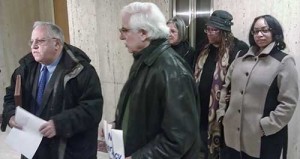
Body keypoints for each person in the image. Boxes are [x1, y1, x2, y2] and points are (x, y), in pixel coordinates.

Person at [1, 21, 103, 159]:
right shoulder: (25, 68)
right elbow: (10, 97)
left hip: (68, 151)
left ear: (57, 44)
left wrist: (59, 124)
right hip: (32, 149)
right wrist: (11, 116)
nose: (33, 46)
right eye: (31, 42)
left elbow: (92, 110)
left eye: (40, 41)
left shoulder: (82, 71)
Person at [115, 2, 200, 159]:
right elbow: (143, 113)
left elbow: (178, 139)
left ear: (143, 33)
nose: (121, 36)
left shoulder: (172, 71)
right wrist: (117, 126)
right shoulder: (144, 61)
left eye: (125, 30)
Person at [217, 15, 299, 159]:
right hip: (231, 134)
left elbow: (289, 103)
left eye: (264, 30)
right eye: (255, 31)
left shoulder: (283, 61)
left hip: (261, 139)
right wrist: (222, 114)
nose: (259, 35)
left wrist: (266, 126)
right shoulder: (240, 57)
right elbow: (225, 87)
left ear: (274, 32)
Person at [193, 10, 249, 159]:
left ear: (224, 31)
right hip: (201, 109)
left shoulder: (239, 49)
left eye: (214, 30)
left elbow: (244, 78)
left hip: (223, 112)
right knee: (201, 147)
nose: (209, 33)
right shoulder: (204, 48)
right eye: (208, 29)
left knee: (222, 150)